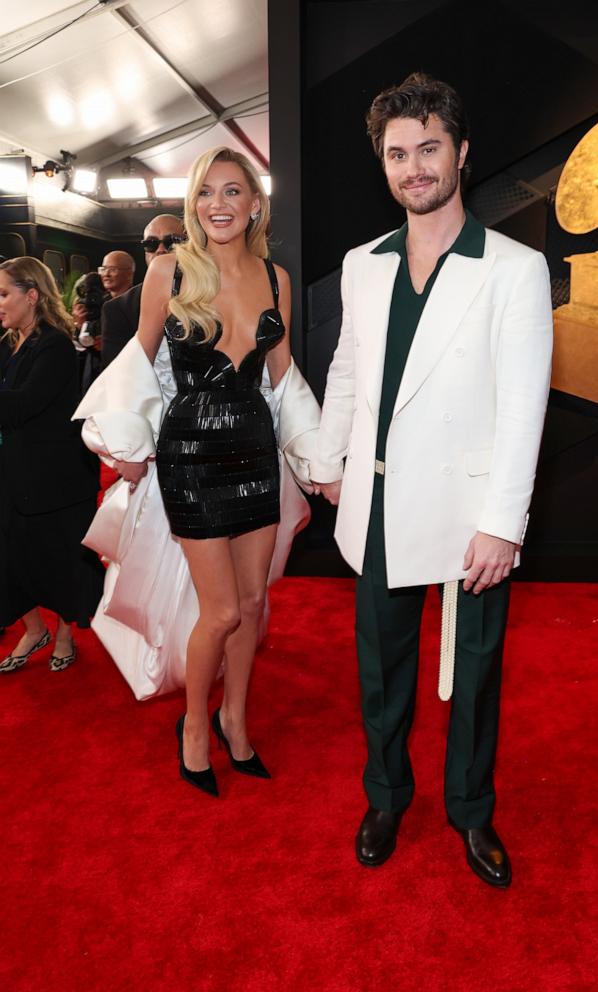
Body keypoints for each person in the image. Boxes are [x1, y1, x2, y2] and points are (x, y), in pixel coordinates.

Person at [310, 73, 553, 887]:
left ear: (460, 154)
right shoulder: (362, 264)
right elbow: (347, 368)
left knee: (476, 676)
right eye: (397, 154)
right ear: (383, 165)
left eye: (428, 149)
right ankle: (386, 797)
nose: (413, 167)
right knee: (381, 668)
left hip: (469, 511)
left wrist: (503, 522)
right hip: (376, 505)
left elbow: (523, 406)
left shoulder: (512, 268)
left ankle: (472, 811)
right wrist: (328, 458)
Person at [111, 147, 295, 798]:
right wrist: (124, 441)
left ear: (253, 204)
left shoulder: (277, 278)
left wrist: (318, 454)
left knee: (252, 603)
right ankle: (193, 727)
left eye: (232, 192)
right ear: (193, 204)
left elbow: (285, 381)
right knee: (218, 612)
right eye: (205, 193)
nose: (217, 204)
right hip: (189, 454)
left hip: (254, 450)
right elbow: (136, 364)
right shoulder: (168, 270)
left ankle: (234, 718)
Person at [0, 257, 104, 673]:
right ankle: (32, 628)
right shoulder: (8, 343)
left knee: (63, 561)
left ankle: (62, 634)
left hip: (57, 479)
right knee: (9, 558)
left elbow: (23, 405)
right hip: (14, 474)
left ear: (32, 296)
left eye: (4, 293)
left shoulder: (55, 345)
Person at [101, 215, 185, 369]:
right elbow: (118, 376)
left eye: (171, 242)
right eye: (151, 244)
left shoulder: (214, 296)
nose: (160, 250)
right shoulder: (118, 309)